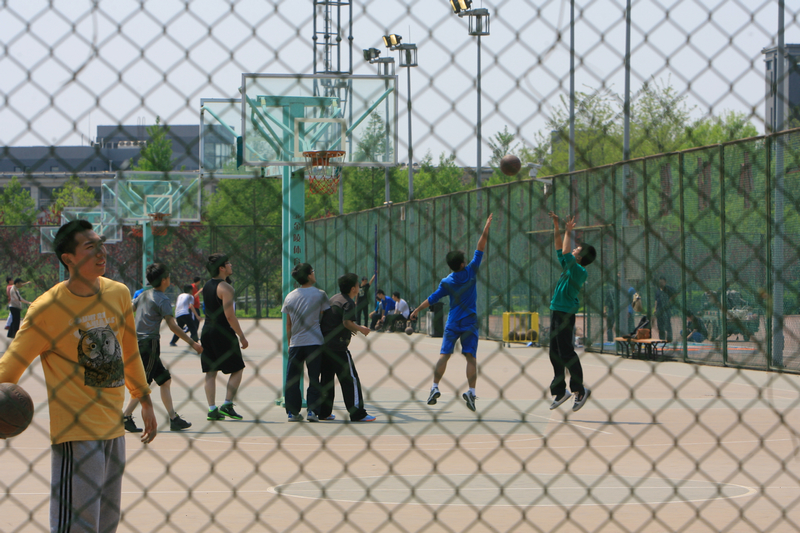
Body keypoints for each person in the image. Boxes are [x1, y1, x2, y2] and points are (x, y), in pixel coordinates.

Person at [0, 219, 157, 533]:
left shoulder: (118, 293)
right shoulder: (47, 308)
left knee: (105, 524)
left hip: (113, 429)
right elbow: (9, 370)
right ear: (68, 259)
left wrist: (144, 398)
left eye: (101, 245)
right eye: (90, 247)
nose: (101, 252)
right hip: (76, 432)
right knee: (76, 526)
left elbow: (128, 351)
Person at [410, 214, 493, 412]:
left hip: (453, 322)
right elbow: (480, 247)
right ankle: (471, 392)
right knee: (470, 357)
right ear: (462, 264)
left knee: (444, 355)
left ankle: (434, 387)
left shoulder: (447, 282)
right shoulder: (471, 271)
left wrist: (417, 310)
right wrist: (486, 227)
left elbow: (432, 298)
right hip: (469, 321)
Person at [123, 265, 203, 433]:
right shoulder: (162, 299)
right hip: (149, 343)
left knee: (164, 380)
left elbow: (129, 310)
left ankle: (173, 419)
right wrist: (193, 343)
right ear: (164, 280)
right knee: (143, 384)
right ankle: (125, 416)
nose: (169, 279)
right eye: (168, 276)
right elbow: (172, 325)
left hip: (139, 342)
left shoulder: (144, 295)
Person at [546, 212, 597, 413]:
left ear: (580, 256)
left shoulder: (579, 271)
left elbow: (566, 250)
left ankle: (579, 390)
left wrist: (568, 231)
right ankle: (560, 391)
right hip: (556, 310)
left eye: (577, 249)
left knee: (566, 352)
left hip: (565, 314)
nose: (574, 249)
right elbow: (560, 248)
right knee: (554, 353)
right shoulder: (569, 266)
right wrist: (556, 226)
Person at [318, 273, 376, 422]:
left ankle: (324, 412)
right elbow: (346, 322)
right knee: (351, 379)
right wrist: (361, 329)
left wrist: (350, 328)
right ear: (353, 288)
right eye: (357, 284)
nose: (359, 286)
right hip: (338, 347)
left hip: (324, 344)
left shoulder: (334, 298)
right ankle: (358, 413)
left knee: (326, 380)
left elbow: (335, 320)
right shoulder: (348, 302)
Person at [200, 254, 248, 421]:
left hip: (207, 330)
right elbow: (230, 316)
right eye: (228, 263)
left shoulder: (207, 285)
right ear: (221, 268)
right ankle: (227, 404)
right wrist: (241, 336)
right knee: (238, 367)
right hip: (222, 331)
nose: (231, 265)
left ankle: (212, 409)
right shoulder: (226, 288)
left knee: (210, 372)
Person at [281, 263, 330, 422]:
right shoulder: (320, 294)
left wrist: (290, 343)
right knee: (314, 377)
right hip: (315, 342)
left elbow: (288, 323)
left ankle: (292, 412)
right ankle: (312, 411)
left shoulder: (290, 296)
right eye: (313, 271)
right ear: (309, 275)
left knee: (292, 378)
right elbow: (323, 315)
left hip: (296, 343)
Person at [654, 276, 678, 342]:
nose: (661, 284)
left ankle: (669, 339)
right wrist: (655, 309)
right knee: (660, 325)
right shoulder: (658, 290)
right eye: (660, 282)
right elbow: (656, 300)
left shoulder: (668, 289)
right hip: (659, 310)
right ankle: (662, 339)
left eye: (662, 282)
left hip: (666, 310)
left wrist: (670, 300)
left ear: (665, 282)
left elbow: (676, 293)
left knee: (667, 325)